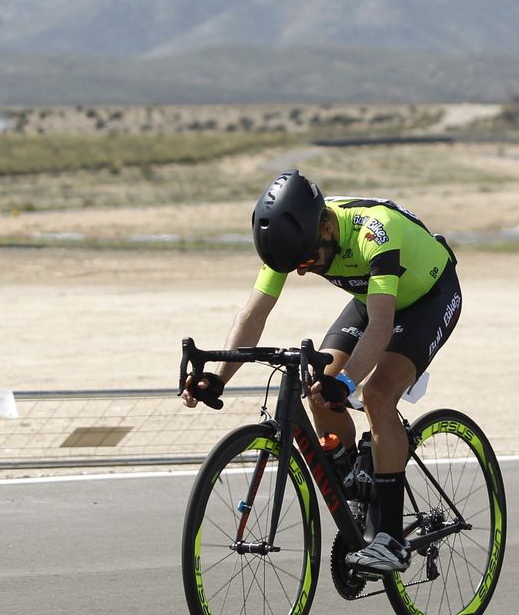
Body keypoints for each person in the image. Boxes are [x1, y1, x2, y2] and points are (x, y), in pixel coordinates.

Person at [180, 169, 463, 573]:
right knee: (315, 385)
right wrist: (218, 377)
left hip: (427, 299)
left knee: (377, 395)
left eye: (310, 261)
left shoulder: (374, 233)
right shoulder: (294, 241)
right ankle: (355, 488)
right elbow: (254, 312)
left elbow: (381, 327)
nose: (303, 270)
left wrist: (347, 383)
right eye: (297, 267)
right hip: (372, 298)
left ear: (327, 226)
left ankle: (390, 538)